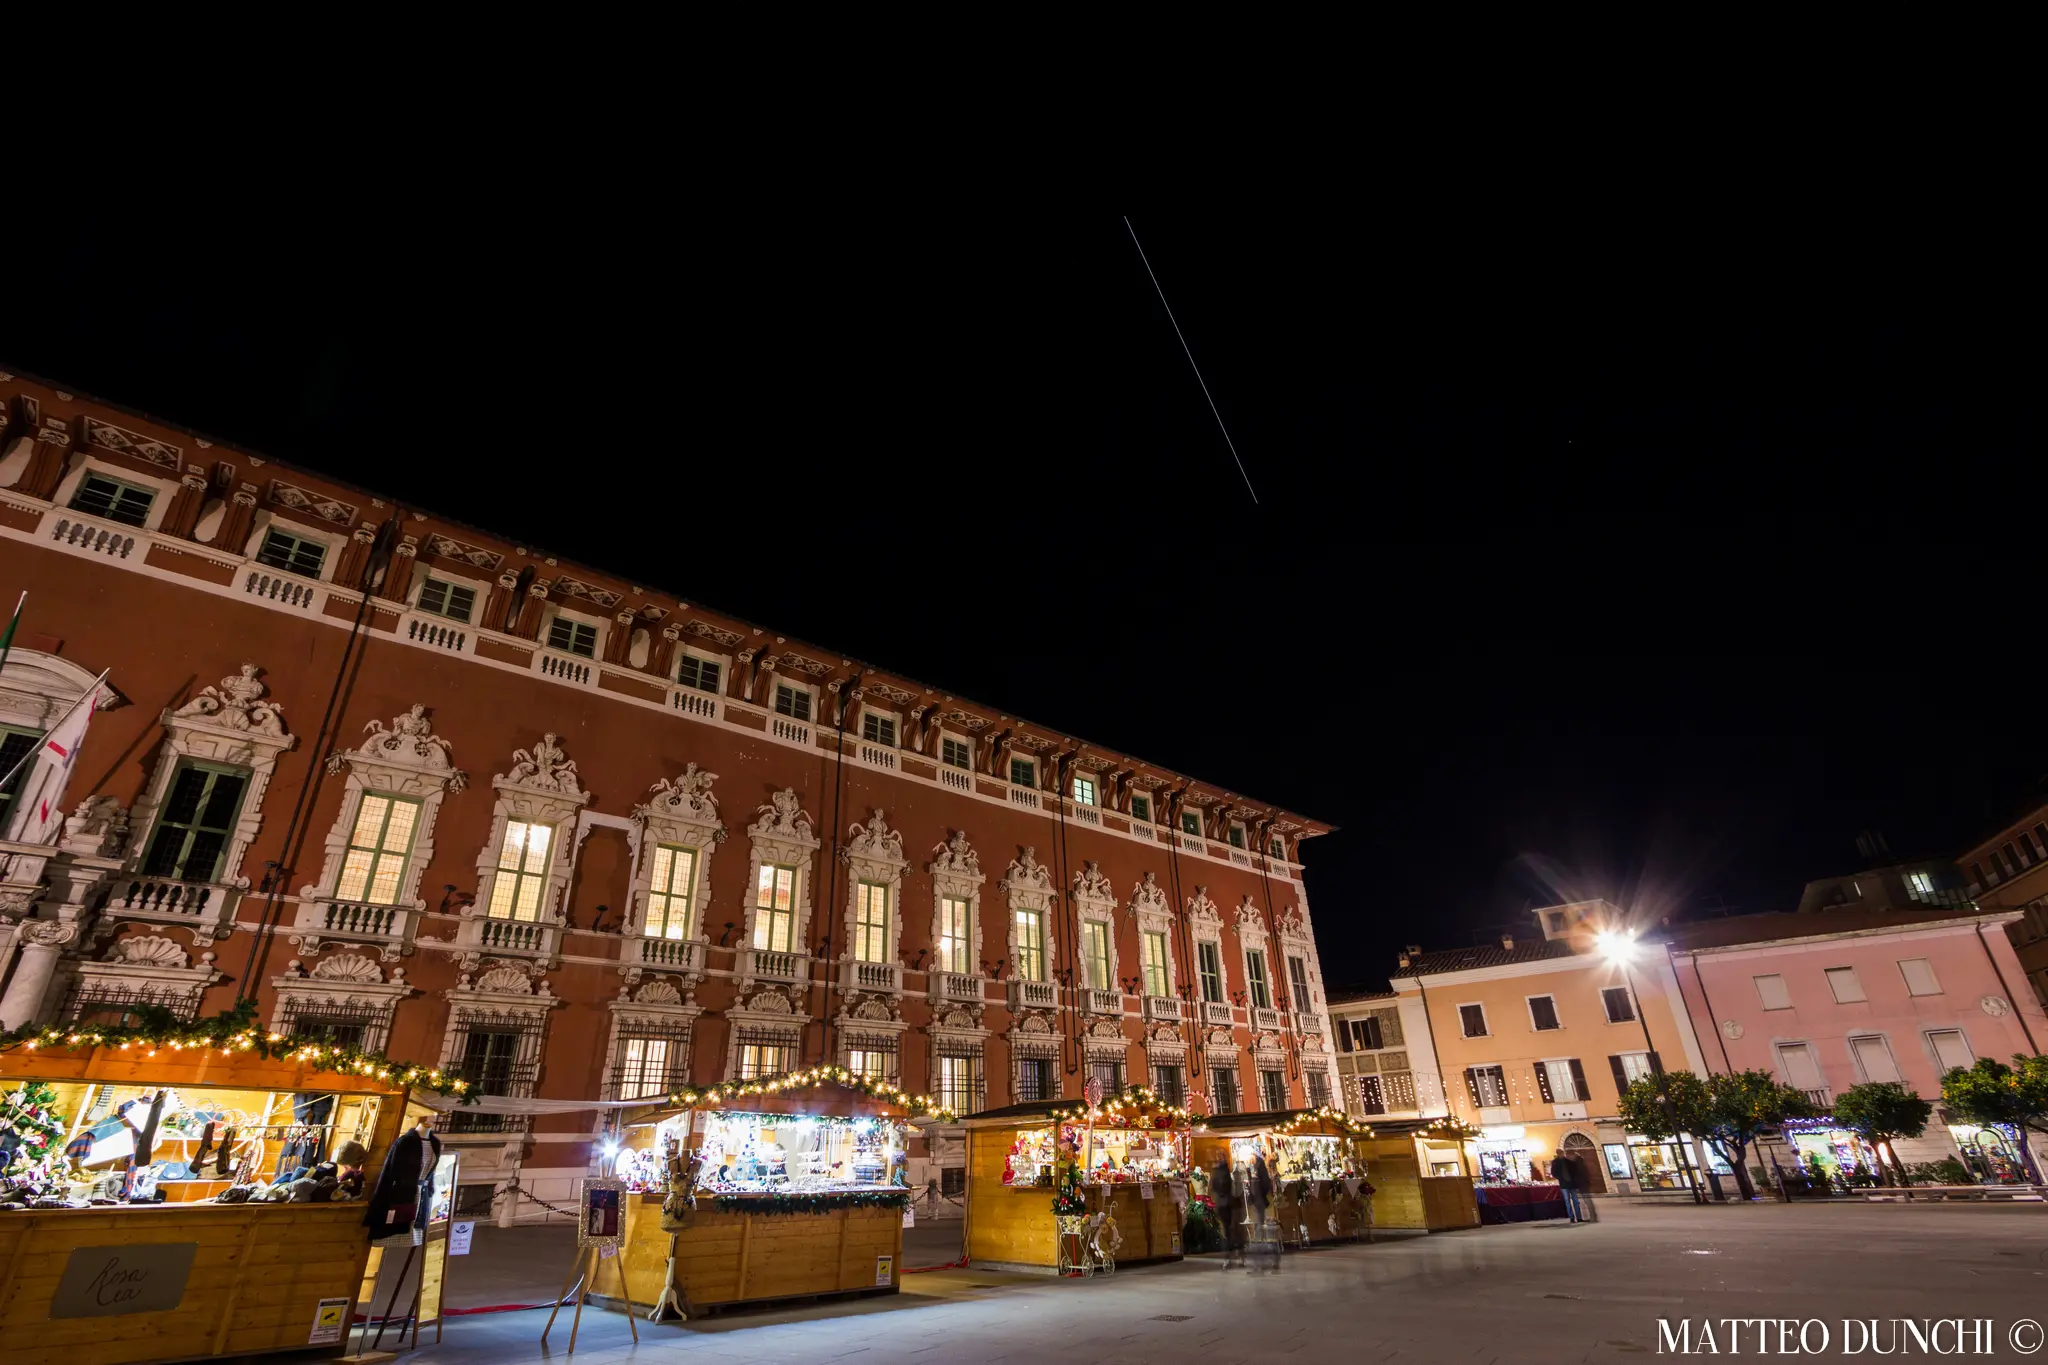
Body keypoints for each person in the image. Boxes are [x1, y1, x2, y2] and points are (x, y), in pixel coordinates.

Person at [1211, 1155, 1244, 1267]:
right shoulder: (1226, 1172)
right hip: (1231, 1204)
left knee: (1228, 1231)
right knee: (1234, 1229)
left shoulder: (1218, 1173)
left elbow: (1215, 1187)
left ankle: (1229, 1257)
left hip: (1223, 1204)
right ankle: (1237, 1255)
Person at [1552, 1149, 1583, 1223]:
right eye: (1560, 1153)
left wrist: (1577, 1158)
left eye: (1562, 1153)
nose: (1561, 1154)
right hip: (1564, 1184)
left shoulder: (1568, 1161)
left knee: (1575, 1201)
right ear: (1558, 1154)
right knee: (1568, 1201)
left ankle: (1578, 1217)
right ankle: (1572, 1217)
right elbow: (1554, 1173)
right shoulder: (1555, 1162)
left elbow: (1575, 1169)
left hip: (1571, 1183)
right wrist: (1560, 1178)